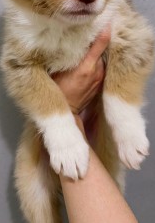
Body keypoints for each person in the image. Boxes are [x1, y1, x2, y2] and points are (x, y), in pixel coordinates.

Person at [52, 26, 138, 223]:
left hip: (97, 120)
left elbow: (139, 44)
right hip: (57, 122)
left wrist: (123, 113)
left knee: (111, 174)